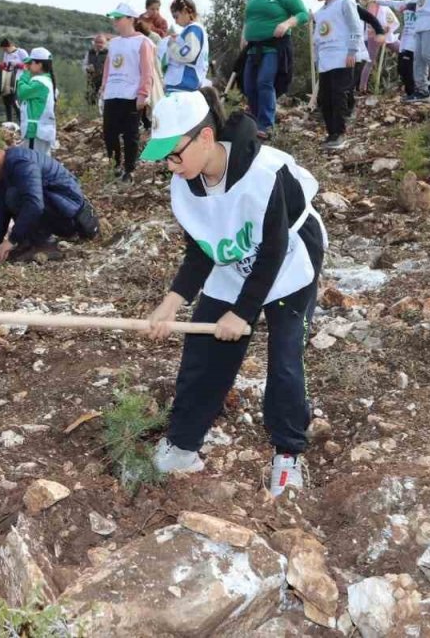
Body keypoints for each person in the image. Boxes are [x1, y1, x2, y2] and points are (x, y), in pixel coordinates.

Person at [139, 91, 325, 497]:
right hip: (235, 261)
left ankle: (288, 454)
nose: (169, 166)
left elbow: (272, 252)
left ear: (205, 137)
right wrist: (172, 301)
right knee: (203, 350)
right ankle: (184, 443)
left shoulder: (264, 174)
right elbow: (201, 251)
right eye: (164, 159)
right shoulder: (186, 184)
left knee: (285, 353)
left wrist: (242, 313)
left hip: (290, 259)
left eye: (174, 155)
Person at [0, 140, 99, 263]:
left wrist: (12, 240)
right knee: (9, 197)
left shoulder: (22, 162)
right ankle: (30, 241)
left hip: (70, 217)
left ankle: (45, 243)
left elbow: (34, 203)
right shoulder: (3, 168)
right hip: (57, 208)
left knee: (15, 196)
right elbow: (0, 205)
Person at [240, 0, 309, 138]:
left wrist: (287, 23)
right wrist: (243, 35)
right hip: (253, 47)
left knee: (264, 82)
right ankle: (253, 122)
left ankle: (266, 124)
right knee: (249, 85)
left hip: (274, 46)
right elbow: (249, 18)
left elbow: (302, 14)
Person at [306, 0, 363, 151]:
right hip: (325, 60)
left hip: (341, 56)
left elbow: (355, 26)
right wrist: (316, 57)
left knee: (339, 95)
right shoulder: (320, 12)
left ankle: (340, 133)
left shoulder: (345, 2)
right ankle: (331, 133)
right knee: (326, 98)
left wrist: (352, 51)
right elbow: (318, 36)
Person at [102, 3, 156, 182]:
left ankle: (129, 170)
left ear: (130, 19)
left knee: (130, 134)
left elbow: (147, 70)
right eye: (114, 18)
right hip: (113, 93)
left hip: (131, 94)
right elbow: (108, 68)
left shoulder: (143, 42)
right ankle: (115, 164)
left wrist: (143, 93)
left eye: (119, 18)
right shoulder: (114, 43)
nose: (115, 22)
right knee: (109, 132)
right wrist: (104, 88)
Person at [370, 0, 425, 100]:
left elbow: (419, 6)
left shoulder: (423, 0)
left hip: (416, 41)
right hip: (405, 40)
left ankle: (417, 92)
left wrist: (407, 6)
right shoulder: (406, 1)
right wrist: (374, 0)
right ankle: (411, 93)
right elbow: (391, 3)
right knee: (402, 68)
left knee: (413, 67)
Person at [361, 0, 401, 93]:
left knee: (403, 50)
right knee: (370, 61)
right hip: (375, 35)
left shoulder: (385, 3)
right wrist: (380, 29)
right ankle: (362, 88)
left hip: (388, 36)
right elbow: (370, 20)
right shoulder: (374, 2)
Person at [165, 0, 211, 92]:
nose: (175, 21)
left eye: (176, 16)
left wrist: (172, 44)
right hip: (185, 83)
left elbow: (187, 55)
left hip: (183, 83)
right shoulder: (193, 31)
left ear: (185, 11)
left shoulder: (194, 29)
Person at [17, 48, 57, 154]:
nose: (29, 66)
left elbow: (22, 92)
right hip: (41, 131)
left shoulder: (40, 83)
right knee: (41, 161)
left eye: (31, 63)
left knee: (34, 162)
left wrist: (24, 75)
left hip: (35, 131)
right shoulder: (47, 81)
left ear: (39, 65)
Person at [0, 39, 29, 123]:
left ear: (10, 46)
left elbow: (28, 66)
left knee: (14, 101)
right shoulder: (6, 54)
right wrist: (1, 65)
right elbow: (5, 64)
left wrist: (17, 65)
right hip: (7, 80)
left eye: (5, 49)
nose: (5, 51)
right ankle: (9, 122)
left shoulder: (21, 52)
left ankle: (22, 121)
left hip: (18, 79)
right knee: (6, 102)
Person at [82, 35, 108, 106]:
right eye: (97, 42)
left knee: (102, 103)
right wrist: (87, 68)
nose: (99, 44)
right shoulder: (90, 53)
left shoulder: (108, 53)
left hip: (104, 83)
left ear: (105, 43)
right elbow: (84, 65)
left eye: (101, 42)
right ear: (94, 43)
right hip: (91, 82)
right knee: (90, 102)